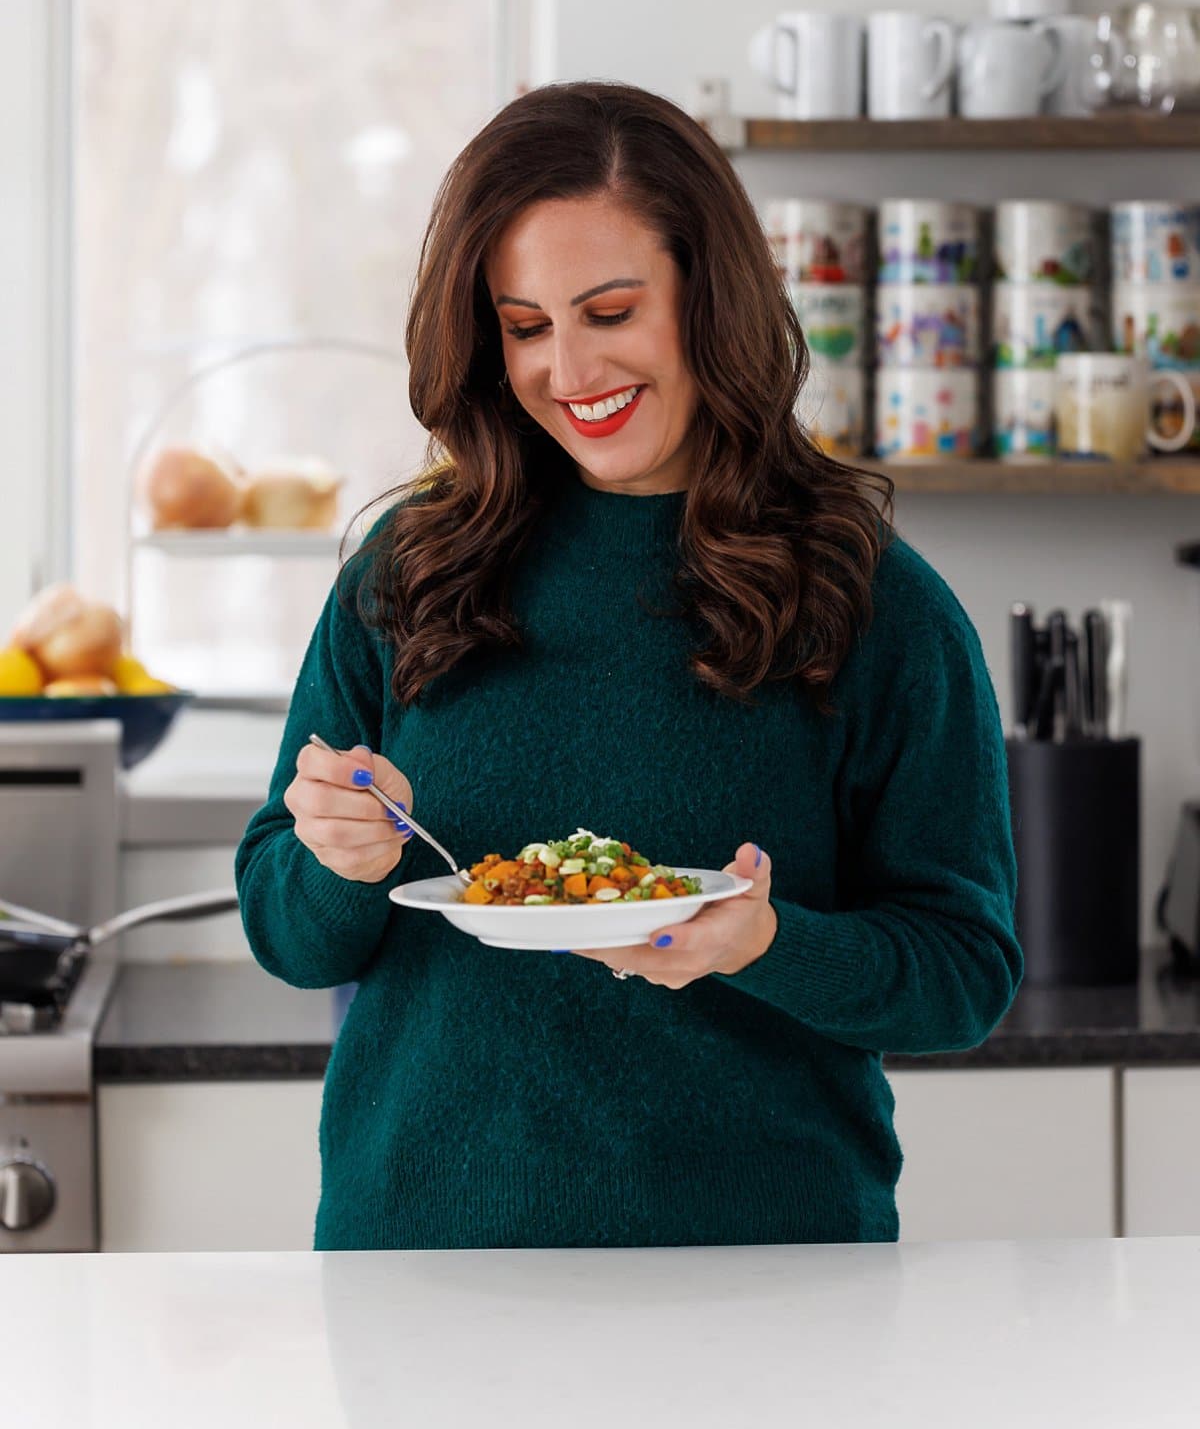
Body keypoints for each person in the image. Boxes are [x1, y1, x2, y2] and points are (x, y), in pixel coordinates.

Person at [235, 79, 1023, 1251]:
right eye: (526, 324)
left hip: (763, 1273)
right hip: (422, 1267)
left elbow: (965, 970)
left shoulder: (871, 602)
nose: (570, 367)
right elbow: (288, 931)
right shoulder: (410, 570)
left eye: (610, 308)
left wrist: (766, 940)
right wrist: (332, 856)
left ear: (709, 297)